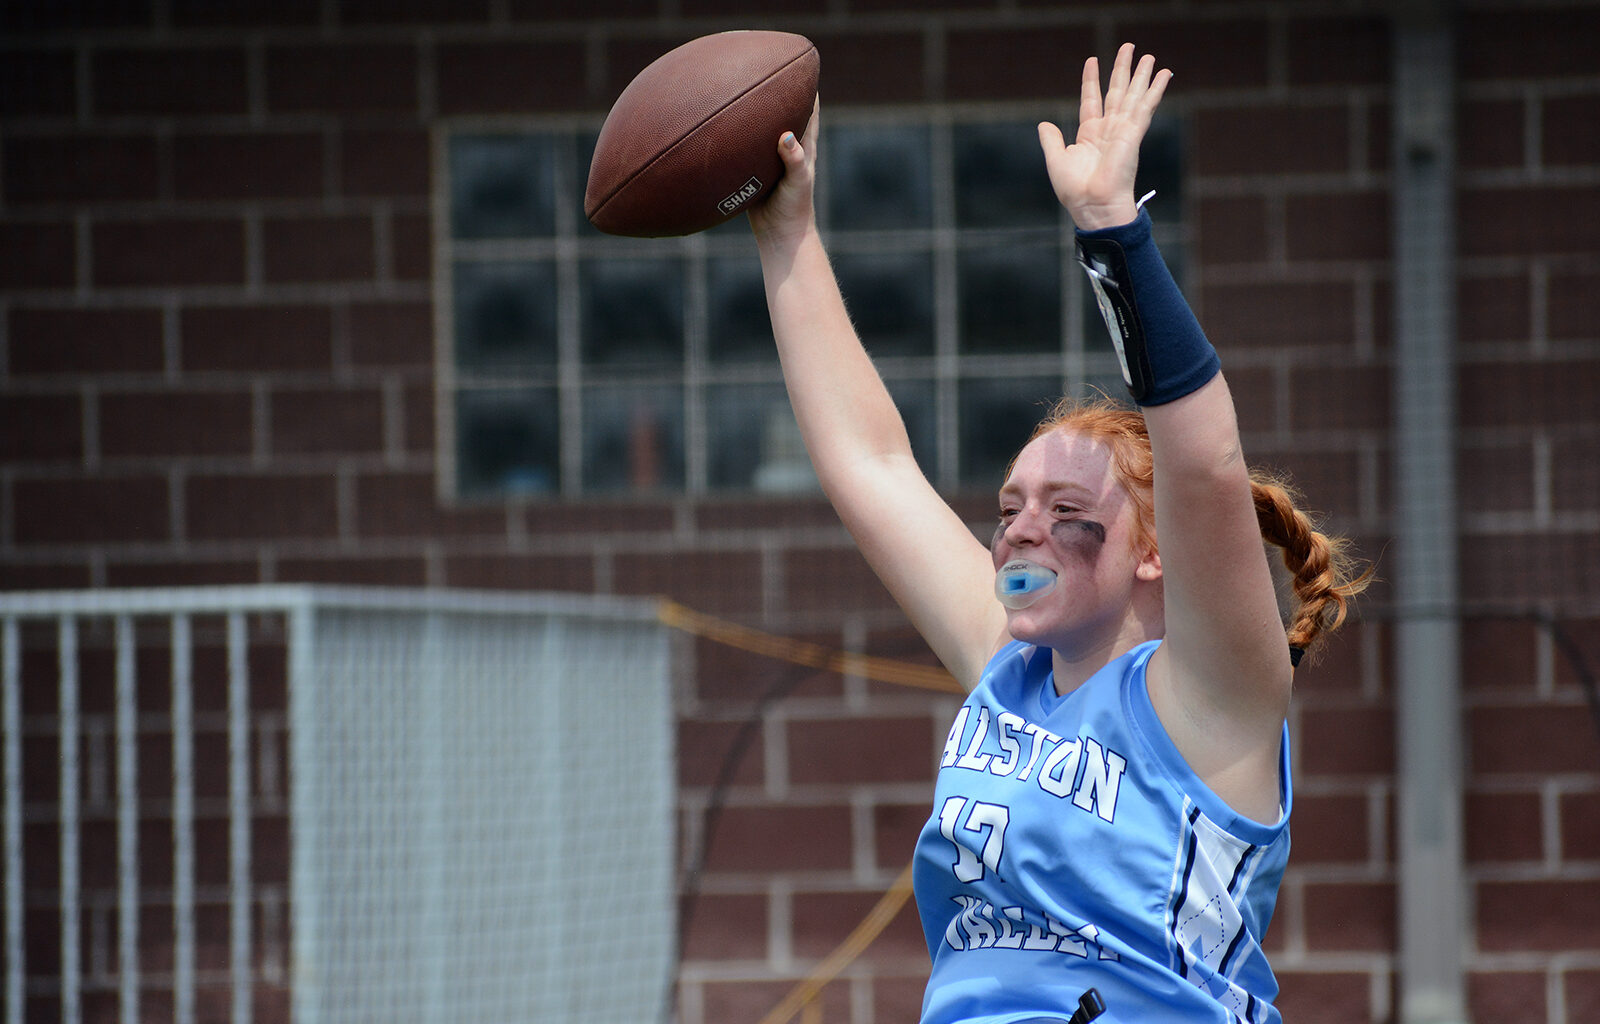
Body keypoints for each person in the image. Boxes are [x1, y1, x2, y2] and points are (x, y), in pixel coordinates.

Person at [747, 42, 1371, 1024]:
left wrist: (1113, 231)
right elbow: (871, 463)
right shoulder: (1010, 667)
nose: (1020, 534)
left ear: (1155, 551)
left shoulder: (1214, 697)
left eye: (1066, 513)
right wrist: (787, 232)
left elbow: (1204, 460)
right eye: (1008, 510)